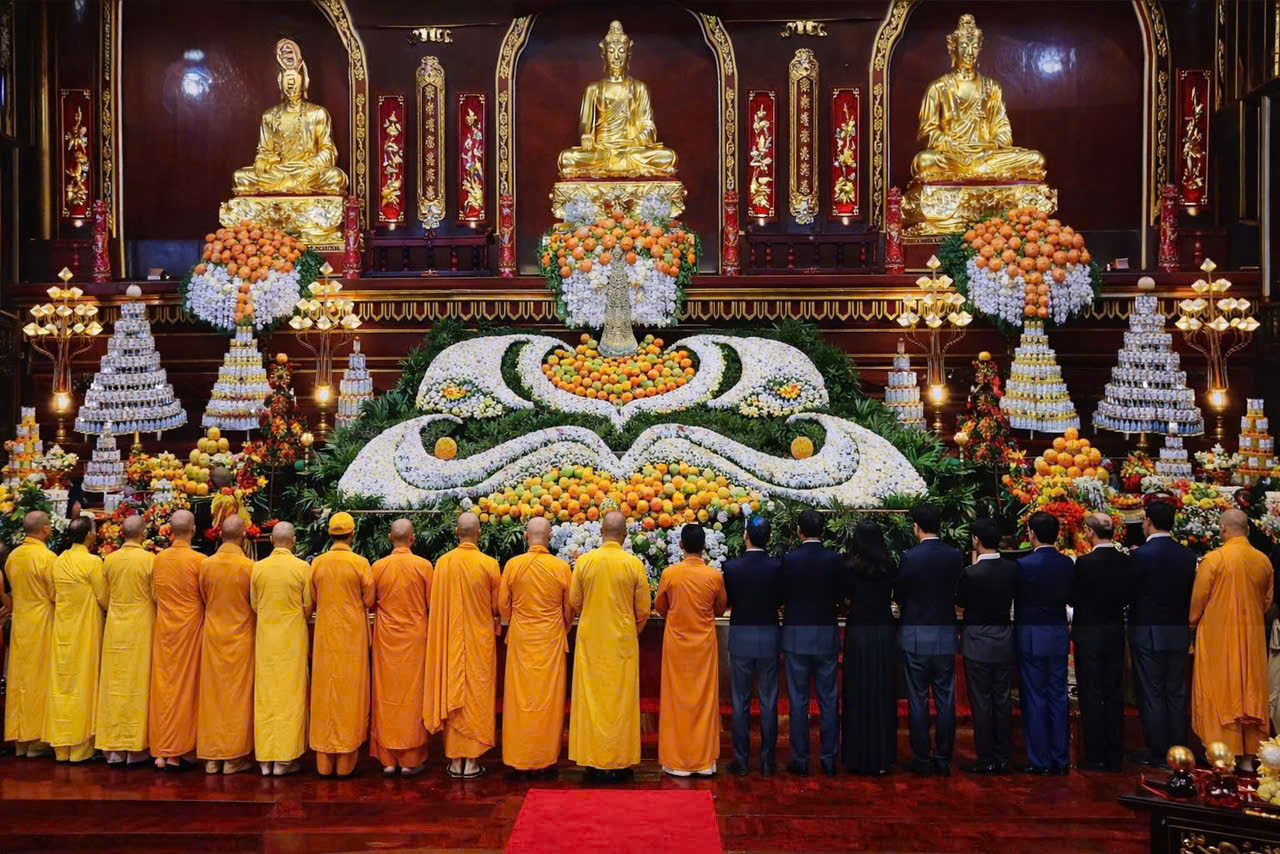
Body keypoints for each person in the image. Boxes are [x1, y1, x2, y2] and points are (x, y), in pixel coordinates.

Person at [568, 510, 651, 781]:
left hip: (591, 640)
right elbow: (643, 609)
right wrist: (631, 631)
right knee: (621, 701)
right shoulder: (633, 564)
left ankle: (592, 762)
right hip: (622, 641)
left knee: (591, 699)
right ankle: (619, 763)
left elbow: (575, 602)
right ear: (624, 536)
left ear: (601, 532)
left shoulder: (584, 562)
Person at [1190, 508, 1274, 758]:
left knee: (1220, 688)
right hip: (1253, 637)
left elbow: (1198, 602)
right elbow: (1266, 601)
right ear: (1247, 530)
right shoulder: (1263, 561)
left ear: (1223, 529)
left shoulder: (1214, 559)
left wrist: (1192, 622)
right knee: (1250, 688)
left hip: (1217, 637)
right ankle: (1249, 756)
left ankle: (1223, 752)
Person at [423, 512, 501, 779]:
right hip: (479, 642)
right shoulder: (489, 564)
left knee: (452, 688)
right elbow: (496, 606)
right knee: (476, 694)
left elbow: (434, 603)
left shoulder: (443, 563)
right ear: (479, 534)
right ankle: (473, 761)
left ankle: (457, 762)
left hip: (450, 639)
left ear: (457, 533)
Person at [498, 517, 571, 778]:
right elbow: (569, 608)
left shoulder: (513, 565)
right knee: (547, 700)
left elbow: (503, 605)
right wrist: (561, 628)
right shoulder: (561, 567)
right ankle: (544, 760)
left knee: (519, 699)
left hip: (521, 637)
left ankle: (518, 758)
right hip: (550, 638)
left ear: (526, 537)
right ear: (550, 537)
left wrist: (517, 621)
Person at [895, 503, 964, 776]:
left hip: (916, 634)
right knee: (946, 698)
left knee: (918, 698)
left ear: (916, 527)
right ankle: (944, 757)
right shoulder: (954, 555)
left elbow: (900, 592)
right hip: (945, 632)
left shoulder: (910, 557)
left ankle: (922, 757)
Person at [654, 524, 728, 777]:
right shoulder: (713, 576)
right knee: (704, 699)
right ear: (704, 546)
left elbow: (660, 607)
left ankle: (677, 761)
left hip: (677, 644)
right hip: (703, 644)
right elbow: (720, 609)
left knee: (675, 700)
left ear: (681, 545)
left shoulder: (670, 574)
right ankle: (704, 761)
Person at [1129, 499, 1197, 767]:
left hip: (1147, 630)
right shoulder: (1187, 555)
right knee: (1176, 692)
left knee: (1152, 692)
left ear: (1148, 521)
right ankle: (1178, 748)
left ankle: (1158, 752)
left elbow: (1131, 593)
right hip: (1178, 630)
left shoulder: (1139, 555)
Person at [309, 511, 375, 777]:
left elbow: (312, 599)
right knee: (350, 694)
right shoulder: (360, 563)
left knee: (324, 692)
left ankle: (324, 764)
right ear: (352, 535)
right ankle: (346, 765)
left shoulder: (318, 564)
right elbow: (369, 600)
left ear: (330, 534)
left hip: (325, 636)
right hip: (351, 637)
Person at [781, 509, 845, 777]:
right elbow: (841, 594)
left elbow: (782, 593)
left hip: (796, 635)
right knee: (829, 699)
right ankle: (829, 758)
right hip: (825, 634)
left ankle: (800, 759)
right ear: (823, 531)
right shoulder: (834, 559)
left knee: (798, 700)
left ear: (799, 531)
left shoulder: (789, 559)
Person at [370, 518, 433, 776]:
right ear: (412, 538)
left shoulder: (378, 567)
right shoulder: (424, 566)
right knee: (413, 696)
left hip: (386, 638)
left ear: (389, 538)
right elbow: (432, 602)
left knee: (386, 694)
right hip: (415, 638)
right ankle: (410, 760)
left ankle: (388, 760)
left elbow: (370, 602)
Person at [250, 521, 313, 776]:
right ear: (294, 541)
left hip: (266, 639)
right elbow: (307, 606)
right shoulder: (302, 568)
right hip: (292, 639)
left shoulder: (258, 568)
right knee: (291, 694)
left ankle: (265, 759)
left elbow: (255, 604)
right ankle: (285, 759)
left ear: (271, 540)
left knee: (266, 696)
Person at [1071, 513, 1132, 772]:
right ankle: (1115, 753)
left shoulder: (1084, 563)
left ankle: (1095, 754)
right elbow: (1128, 596)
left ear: (1090, 532)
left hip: (1088, 634)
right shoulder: (1125, 561)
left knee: (1091, 693)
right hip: (1114, 633)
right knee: (1113, 692)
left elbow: (1073, 597)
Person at [1015, 511, 1074, 775]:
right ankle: (1060, 758)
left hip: (1030, 635)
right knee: (1058, 695)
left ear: (1032, 534)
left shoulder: (1024, 565)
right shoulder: (1066, 563)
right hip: (1057, 634)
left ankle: (1039, 759)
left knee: (1035, 697)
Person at [723, 515, 783, 776]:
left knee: (740, 701)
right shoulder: (777, 566)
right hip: (769, 634)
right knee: (769, 700)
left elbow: (728, 600)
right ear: (768, 538)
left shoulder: (731, 567)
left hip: (741, 635)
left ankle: (741, 759)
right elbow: (780, 599)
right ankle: (768, 761)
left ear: (746, 536)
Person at [956, 517, 1017, 775]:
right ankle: (1003, 756)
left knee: (981, 701)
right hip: (1003, 639)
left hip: (977, 641)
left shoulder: (971, 573)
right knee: (1002, 699)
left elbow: (961, 602)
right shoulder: (1012, 569)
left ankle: (985, 757)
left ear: (976, 540)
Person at [196, 514, 256, 775]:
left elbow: (204, 597)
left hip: (213, 636)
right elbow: (254, 603)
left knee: (212, 695)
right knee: (236, 696)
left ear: (220, 535)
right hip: (240, 636)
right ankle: (233, 758)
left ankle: (211, 758)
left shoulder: (206, 565)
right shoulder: (249, 567)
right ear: (243, 536)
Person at [96, 516, 157, 766]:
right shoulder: (149, 560)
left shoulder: (109, 560)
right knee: (138, 682)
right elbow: (156, 595)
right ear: (142, 534)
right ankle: (135, 747)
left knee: (114, 682)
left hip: (115, 626)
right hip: (141, 625)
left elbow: (103, 596)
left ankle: (113, 748)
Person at [46, 516, 107, 762]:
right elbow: (104, 597)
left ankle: (61, 747)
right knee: (84, 681)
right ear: (89, 535)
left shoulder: (59, 561)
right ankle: (81, 747)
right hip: (85, 629)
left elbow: (53, 594)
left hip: (62, 629)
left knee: (62, 683)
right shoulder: (92, 562)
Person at [149, 509, 204, 771]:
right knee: (187, 687)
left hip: (165, 628)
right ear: (193, 530)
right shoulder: (200, 561)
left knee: (164, 686)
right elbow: (206, 596)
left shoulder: (158, 560)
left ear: (170, 531)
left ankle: (161, 749)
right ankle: (178, 750)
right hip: (190, 629)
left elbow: (154, 595)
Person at [842, 519, 898, 776]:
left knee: (858, 692)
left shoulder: (850, 567)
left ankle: (857, 755)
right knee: (882, 691)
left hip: (858, 632)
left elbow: (844, 597)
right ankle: (883, 756)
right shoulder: (890, 565)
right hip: (883, 631)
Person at [4, 511, 57, 758]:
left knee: (19, 678)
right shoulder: (46, 557)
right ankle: (36, 739)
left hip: (21, 621)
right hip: (42, 621)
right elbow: (55, 593)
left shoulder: (13, 557)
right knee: (40, 677)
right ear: (44, 529)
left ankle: (18, 738)